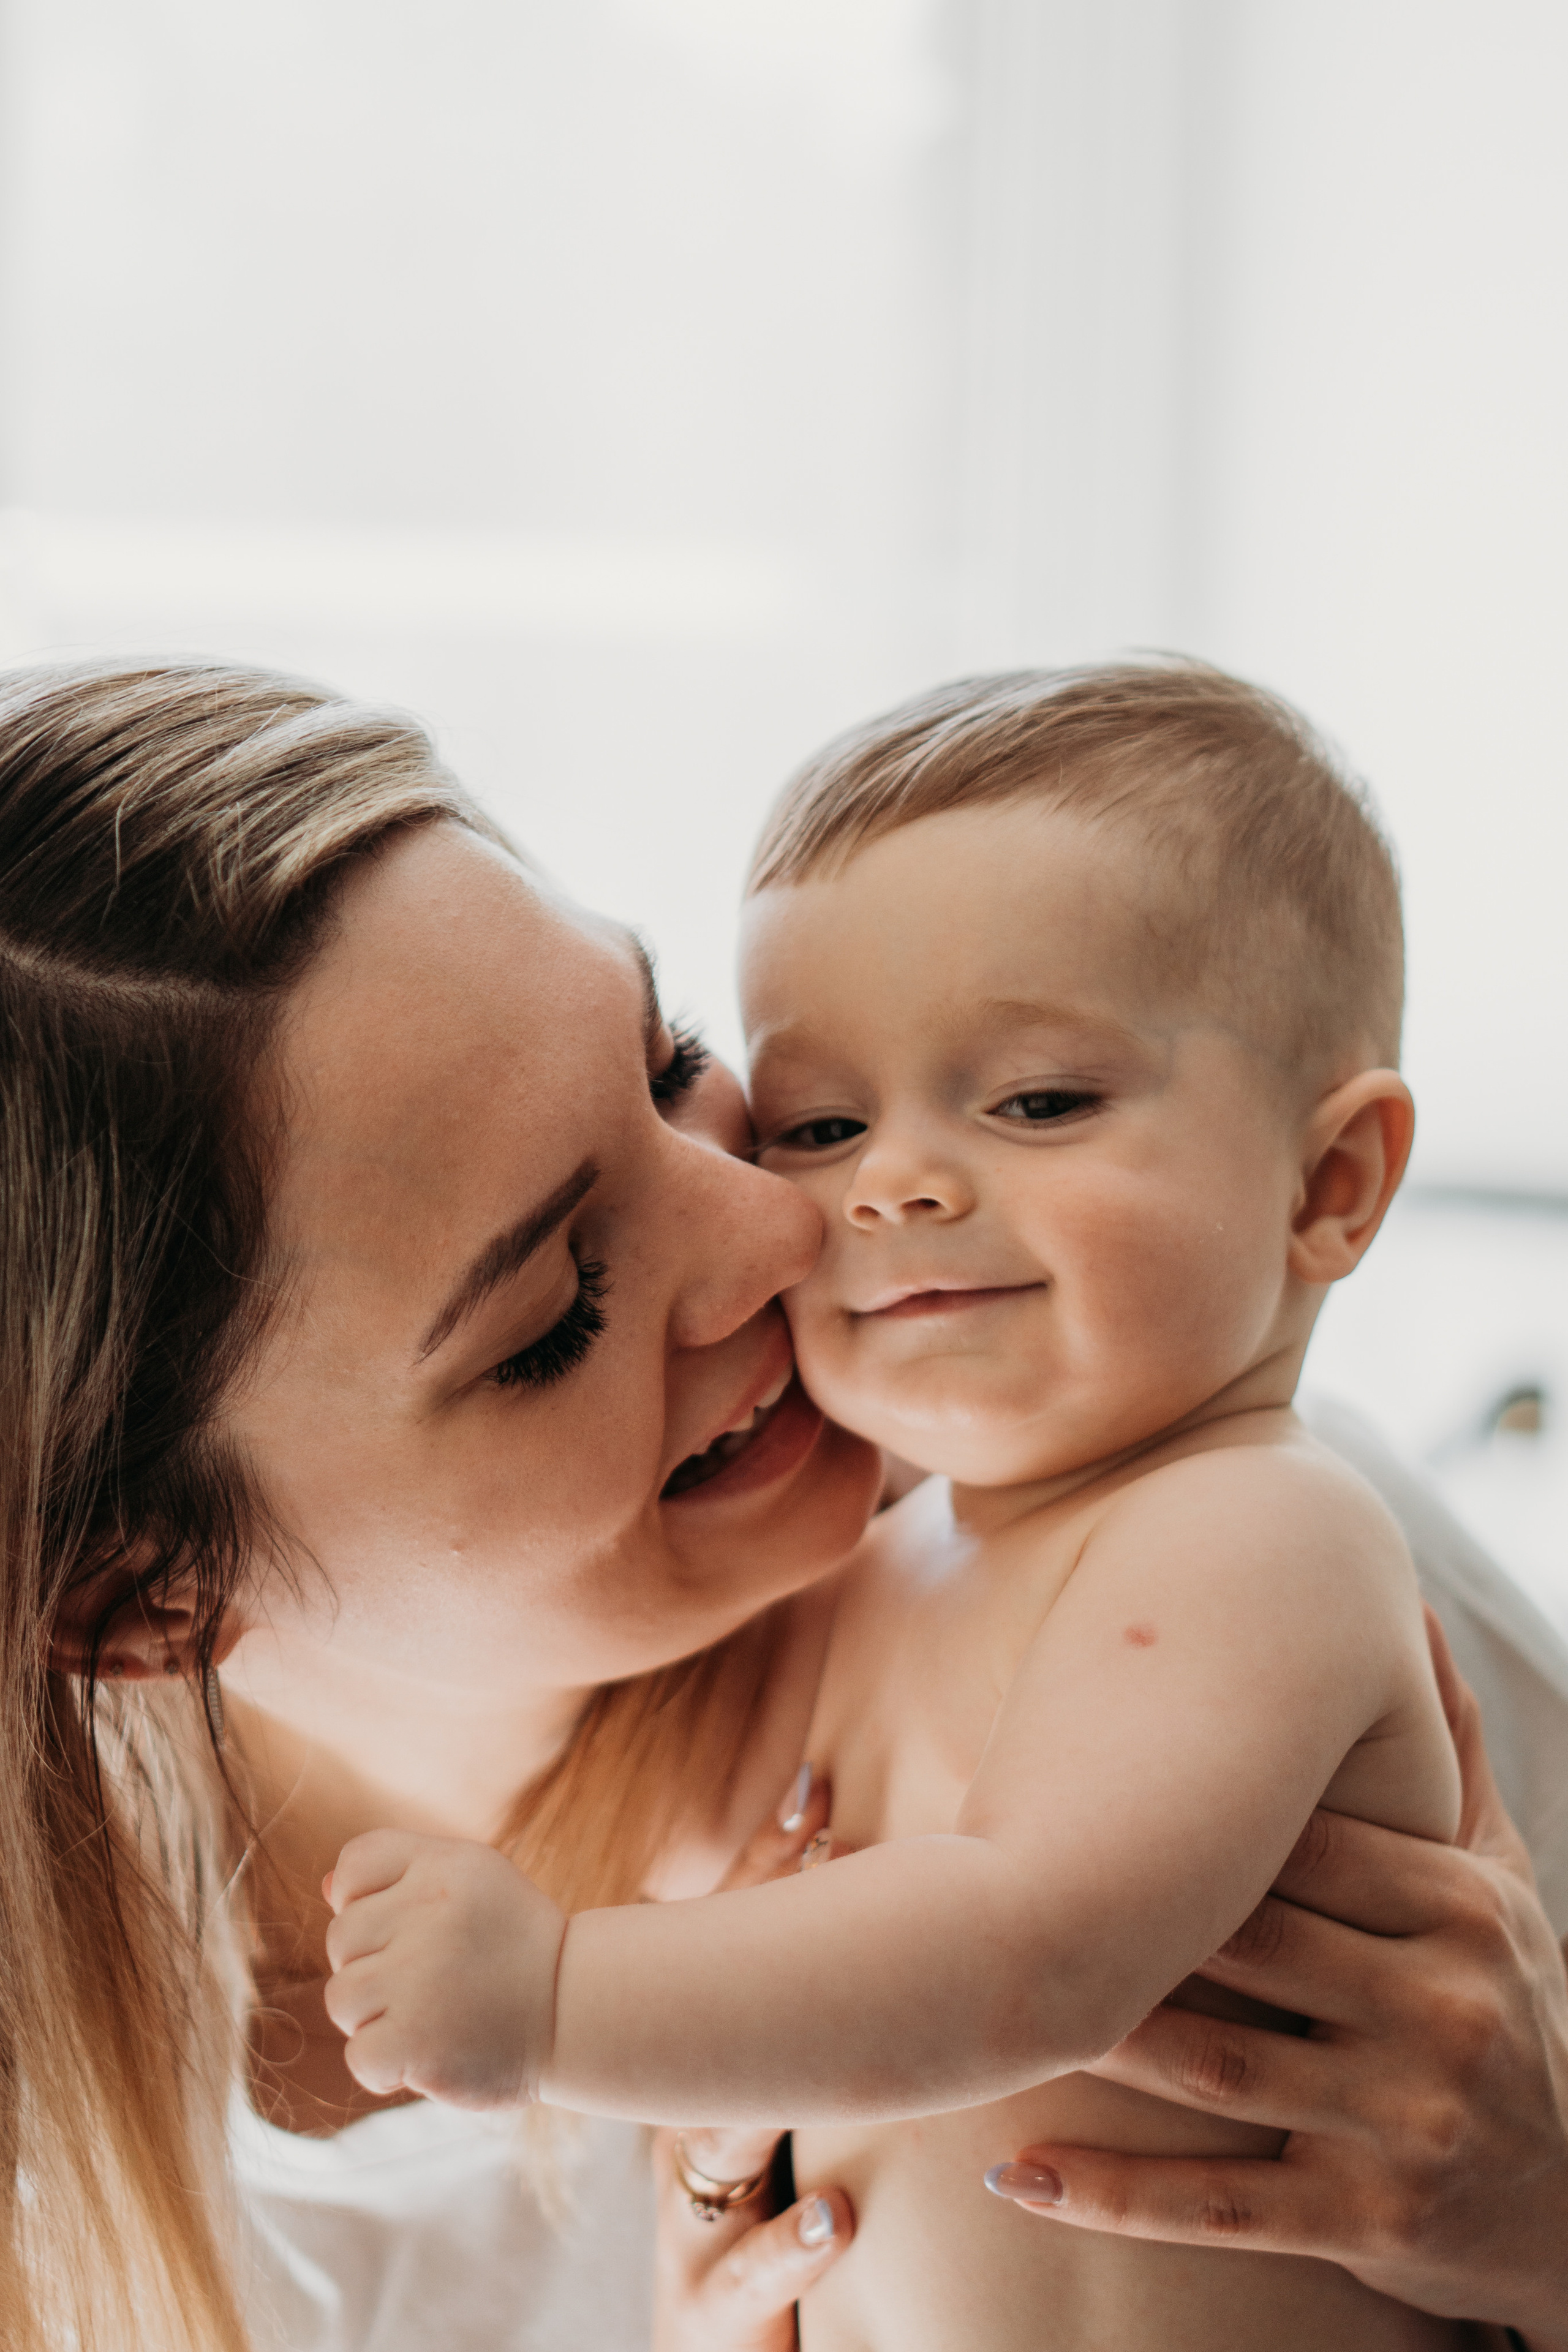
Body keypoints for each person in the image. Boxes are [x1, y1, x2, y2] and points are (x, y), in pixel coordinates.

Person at [3, 657, 1563, 2352]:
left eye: (674, 1065)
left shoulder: (1236, 1549)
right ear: (143, 1601)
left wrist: (1546, 2228)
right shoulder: (162, 2260)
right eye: (557, 1316)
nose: (783, 1228)